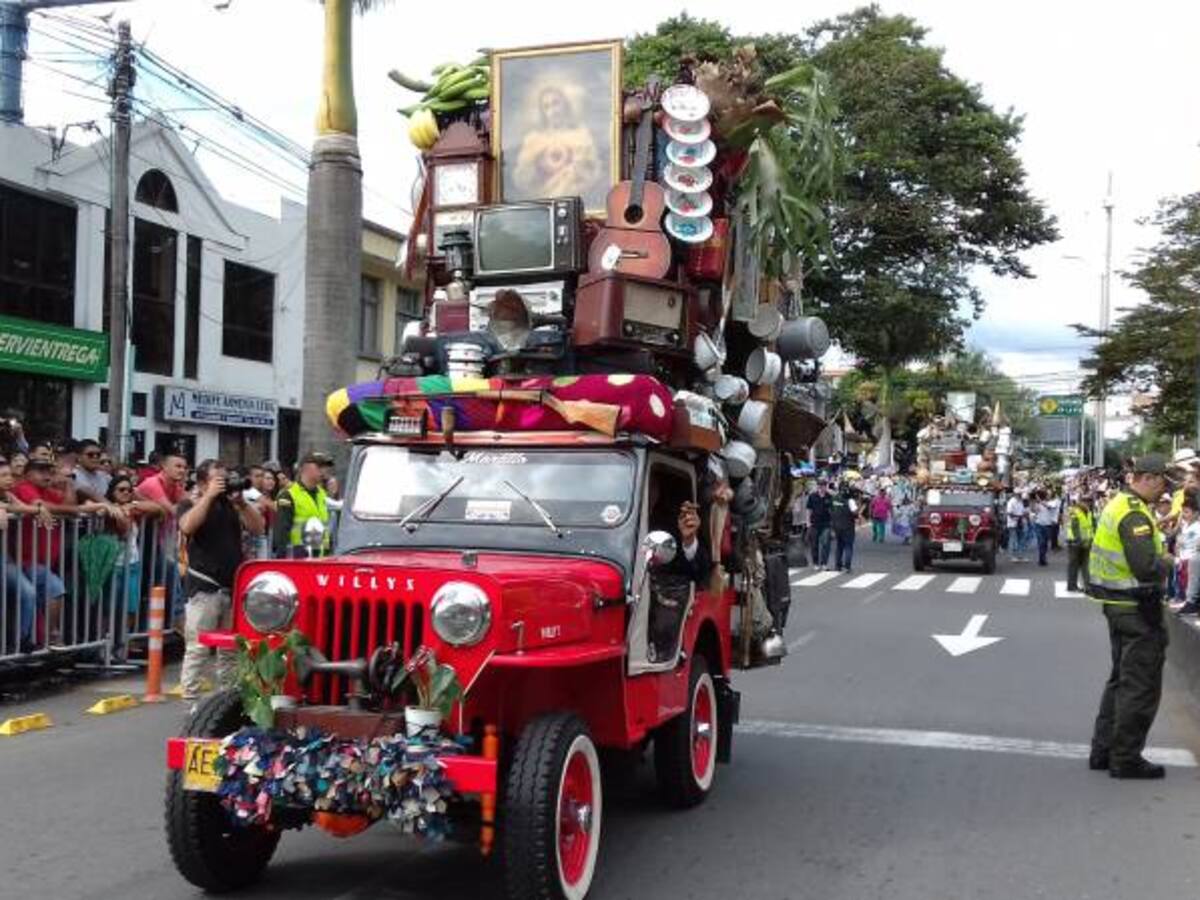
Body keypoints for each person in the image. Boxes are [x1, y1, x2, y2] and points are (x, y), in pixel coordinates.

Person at [1088, 454, 1175, 779]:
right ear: (1149, 478)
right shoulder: (1135, 515)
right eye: (1163, 481)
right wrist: (1166, 561)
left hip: (1118, 606)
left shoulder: (1119, 505)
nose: (1164, 489)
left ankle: (1104, 751)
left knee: (1120, 680)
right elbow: (1146, 567)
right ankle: (1125, 758)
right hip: (1136, 608)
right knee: (1140, 684)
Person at [177, 460, 264, 701]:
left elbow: (259, 528)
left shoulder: (231, 505)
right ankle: (190, 703)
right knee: (198, 648)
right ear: (204, 482)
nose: (224, 484)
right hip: (204, 587)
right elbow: (186, 526)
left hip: (232, 587)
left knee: (230, 651)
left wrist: (242, 503)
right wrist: (208, 497)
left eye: (226, 478)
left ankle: (227, 701)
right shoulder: (190, 503)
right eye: (218, 479)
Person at [104, 474, 163, 634]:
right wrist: (117, 509)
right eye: (121, 490)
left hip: (132, 564)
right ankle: (107, 643)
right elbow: (122, 528)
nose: (126, 493)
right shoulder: (106, 509)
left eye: (129, 490)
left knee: (131, 607)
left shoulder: (133, 508)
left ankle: (123, 643)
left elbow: (158, 508)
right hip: (112, 566)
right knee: (111, 608)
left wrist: (133, 503)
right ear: (112, 491)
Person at [273, 454, 331, 558]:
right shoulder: (288, 495)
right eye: (320, 467)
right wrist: (283, 560)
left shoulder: (322, 494)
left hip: (321, 558)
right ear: (305, 468)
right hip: (298, 558)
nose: (324, 471)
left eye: (326, 467)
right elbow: (282, 532)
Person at [1065, 494, 1094, 593]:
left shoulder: (1089, 512)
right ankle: (1072, 586)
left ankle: (1088, 586)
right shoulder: (1074, 512)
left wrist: (1091, 540)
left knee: (1086, 564)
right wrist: (1080, 541)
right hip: (1075, 542)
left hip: (1086, 542)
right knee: (1074, 564)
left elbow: (1091, 527)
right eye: (1087, 501)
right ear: (1081, 502)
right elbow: (1074, 528)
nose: (1089, 503)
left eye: (1090, 501)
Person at [830, 485, 859, 573]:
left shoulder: (834, 499)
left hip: (837, 526)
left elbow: (831, 511)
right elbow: (855, 512)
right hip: (848, 526)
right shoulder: (850, 501)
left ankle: (837, 566)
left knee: (839, 546)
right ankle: (847, 567)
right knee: (848, 546)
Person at [806, 479, 833, 570]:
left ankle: (824, 563)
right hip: (814, 523)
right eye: (820, 486)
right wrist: (808, 522)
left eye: (824, 486)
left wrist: (833, 523)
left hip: (826, 523)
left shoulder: (829, 496)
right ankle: (815, 563)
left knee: (826, 544)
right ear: (817, 486)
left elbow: (832, 511)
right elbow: (809, 509)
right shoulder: (812, 496)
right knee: (814, 544)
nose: (822, 488)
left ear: (826, 486)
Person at [73, 438, 111, 503]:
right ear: (79, 457)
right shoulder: (73, 475)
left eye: (98, 455)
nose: (95, 457)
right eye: (90, 455)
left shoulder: (105, 476)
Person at [1033, 490, 1057, 567]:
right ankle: (1041, 559)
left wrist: (1040, 501)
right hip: (1039, 524)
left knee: (1045, 543)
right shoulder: (1038, 504)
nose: (1048, 496)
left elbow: (1048, 507)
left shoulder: (1053, 502)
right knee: (1041, 542)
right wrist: (1036, 505)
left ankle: (1043, 557)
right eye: (1047, 495)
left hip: (1048, 525)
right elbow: (1035, 511)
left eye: (1049, 495)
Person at [1005, 492, 1027, 563]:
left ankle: (1020, 556)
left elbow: (1022, 511)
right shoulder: (1011, 502)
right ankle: (1011, 556)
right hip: (1013, 523)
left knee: (1021, 539)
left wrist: (1024, 515)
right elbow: (1009, 513)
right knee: (1012, 539)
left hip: (1020, 523)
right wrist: (1018, 516)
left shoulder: (1020, 502)